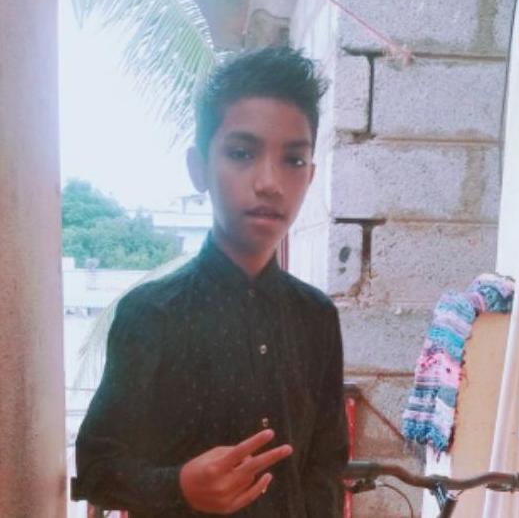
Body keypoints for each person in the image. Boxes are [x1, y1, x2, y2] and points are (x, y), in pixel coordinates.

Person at [74, 46, 347, 518]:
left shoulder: (316, 317)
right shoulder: (152, 313)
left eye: (293, 160)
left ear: (310, 176)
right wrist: (179, 486)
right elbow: (97, 468)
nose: (270, 182)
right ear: (198, 168)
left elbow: (325, 468)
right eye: (242, 153)